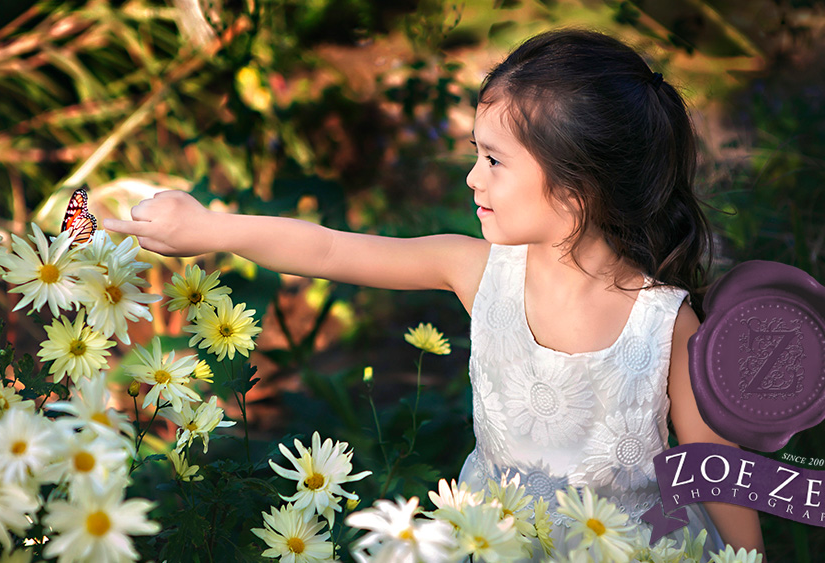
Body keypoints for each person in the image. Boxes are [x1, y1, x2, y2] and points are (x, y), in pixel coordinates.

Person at [106, 28, 765, 561]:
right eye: (476, 154)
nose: (473, 177)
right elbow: (330, 249)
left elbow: (715, 462)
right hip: (495, 540)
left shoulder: (665, 322)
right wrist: (209, 227)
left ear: (577, 189)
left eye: (494, 160)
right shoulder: (478, 271)